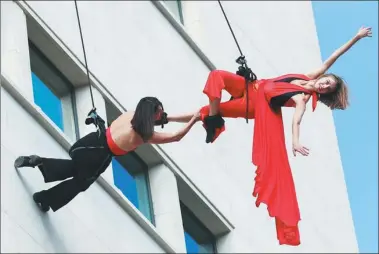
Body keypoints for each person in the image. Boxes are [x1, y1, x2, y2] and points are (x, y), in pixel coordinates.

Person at [165, 26, 372, 246]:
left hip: (254, 106)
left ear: (325, 94)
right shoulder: (308, 76)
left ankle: (168, 119)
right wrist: (356, 38)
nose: (324, 85)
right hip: (252, 85)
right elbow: (334, 56)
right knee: (216, 77)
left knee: (204, 112)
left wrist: (295, 141)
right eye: (327, 81)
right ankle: (214, 121)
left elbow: (296, 121)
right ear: (325, 76)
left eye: (327, 88)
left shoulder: (302, 98)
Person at [14, 97, 200, 213]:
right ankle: (43, 196)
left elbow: (166, 118)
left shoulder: (131, 114)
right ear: (152, 114)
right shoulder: (144, 135)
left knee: (73, 168)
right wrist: (193, 121)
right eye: (159, 112)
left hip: (90, 141)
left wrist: (196, 115)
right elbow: (176, 137)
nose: (162, 115)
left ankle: (39, 164)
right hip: (100, 156)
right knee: (79, 183)